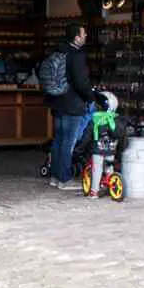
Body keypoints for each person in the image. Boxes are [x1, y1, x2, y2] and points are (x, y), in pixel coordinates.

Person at [46, 22, 108, 190]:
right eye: (84, 34)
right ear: (76, 37)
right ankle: (64, 179)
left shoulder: (57, 51)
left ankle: (54, 176)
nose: (86, 36)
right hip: (73, 104)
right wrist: (91, 98)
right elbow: (81, 83)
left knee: (58, 140)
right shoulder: (76, 55)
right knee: (69, 142)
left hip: (57, 102)